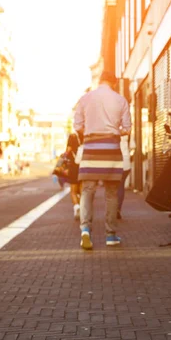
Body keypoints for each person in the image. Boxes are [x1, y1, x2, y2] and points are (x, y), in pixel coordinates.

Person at [74, 70, 131, 250]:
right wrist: (114, 131)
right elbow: (127, 128)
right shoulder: (121, 100)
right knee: (111, 193)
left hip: (91, 148)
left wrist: (90, 132)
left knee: (87, 190)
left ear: (100, 81)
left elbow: (77, 126)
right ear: (113, 82)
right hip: (111, 149)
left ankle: (85, 230)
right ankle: (110, 235)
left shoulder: (84, 99)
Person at [117, 134, 134, 219]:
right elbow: (132, 146)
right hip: (125, 162)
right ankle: (118, 209)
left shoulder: (112, 126)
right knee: (121, 186)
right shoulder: (129, 132)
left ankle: (112, 209)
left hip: (114, 160)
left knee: (111, 187)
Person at [65, 132, 82, 219]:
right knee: (82, 191)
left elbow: (65, 156)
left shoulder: (69, 151)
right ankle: (83, 208)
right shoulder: (82, 146)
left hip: (73, 170)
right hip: (82, 170)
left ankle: (76, 207)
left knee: (73, 192)